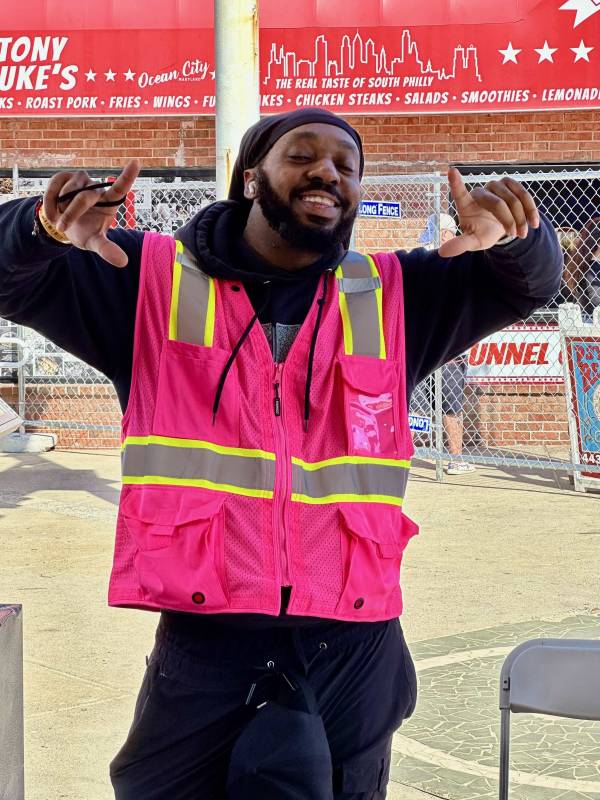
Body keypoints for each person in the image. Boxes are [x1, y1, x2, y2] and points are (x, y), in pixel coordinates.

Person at [0, 108, 562, 799]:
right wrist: (40, 229)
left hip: (354, 640)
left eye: (346, 164)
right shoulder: (147, 283)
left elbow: (526, 283)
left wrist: (515, 241)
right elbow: (10, 277)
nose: (328, 171)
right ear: (249, 176)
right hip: (209, 637)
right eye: (302, 155)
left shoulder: (393, 295)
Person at [418, 212, 475, 475]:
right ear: (445, 234)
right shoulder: (448, 260)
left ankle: (447, 456)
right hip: (447, 346)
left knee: (439, 404)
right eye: (451, 232)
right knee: (451, 405)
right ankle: (455, 458)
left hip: (428, 346)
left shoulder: (422, 258)